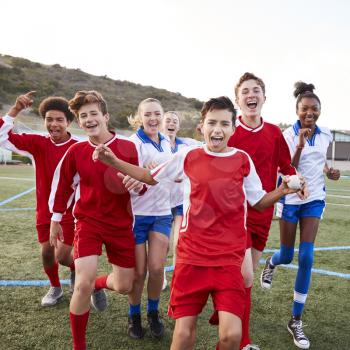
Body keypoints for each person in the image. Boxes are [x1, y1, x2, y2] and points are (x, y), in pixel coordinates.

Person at [92, 96, 306, 350]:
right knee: (183, 335)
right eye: (212, 123)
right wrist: (113, 161)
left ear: (233, 129)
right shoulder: (188, 156)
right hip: (192, 257)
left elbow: (258, 201)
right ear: (201, 126)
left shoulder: (242, 160)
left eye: (224, 124)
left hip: (229, 258)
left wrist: (281, 191)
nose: (217, 129)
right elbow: (149, 177)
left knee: (232, 336)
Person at [210, 73, 299, 350]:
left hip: (263, 212)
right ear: (238, 99)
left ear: (264, 97)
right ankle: (242, 340)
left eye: (256, 90)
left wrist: (297, 181)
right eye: (245, 91)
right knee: (246, 276)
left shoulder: (274, 133)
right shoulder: (228, 130)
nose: (251, 95)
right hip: (232, 215)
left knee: (244, 279)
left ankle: (224, 308)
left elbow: (286, 166)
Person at [49, 90, 143, 350]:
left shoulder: (127, 147)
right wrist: (56, 218)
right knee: (82, 284)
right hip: (88, 222)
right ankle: (79, 345)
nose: (89, 119)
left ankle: (99, 285)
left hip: (121, 224)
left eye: (93, 114)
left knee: (124, 285)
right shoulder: (76, 151)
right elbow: (64, 187)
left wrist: (136, 184)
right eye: (83, 116)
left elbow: (143, 184)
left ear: (105, 116)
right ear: (79, 122)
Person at [260, 81, 340, 349]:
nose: (310, 113)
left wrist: (329, 172)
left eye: (314, 109)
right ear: (297, 110)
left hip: (314, 200)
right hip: (291, 200)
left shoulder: (327, 133)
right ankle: (271, 263)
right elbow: (287, 168)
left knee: (307, 256)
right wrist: (300, 145)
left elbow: (321, 162)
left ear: (320, 110)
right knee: (286, 254)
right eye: (305, 109)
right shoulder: (285, 135)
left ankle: (295, 320)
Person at [0, 91, 77, 306]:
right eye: (49, 119)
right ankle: (55, 287)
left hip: (71, 212)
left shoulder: (79, 147)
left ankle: (76, 269)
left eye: (59, 120)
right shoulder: (37, 143)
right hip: (45, 211)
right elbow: (1, 136)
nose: (54, 124)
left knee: (62, 256)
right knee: (46, 254)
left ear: (69, 122)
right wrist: (15, 110)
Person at [126, 98, 173, 339]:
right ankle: (134, 315)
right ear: (140, 117)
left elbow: (173, 175)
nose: (153, 118)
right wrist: (145, 171)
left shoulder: (167, 141)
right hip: (137, 215)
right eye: (148, 114)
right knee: (138, 272)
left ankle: (153, 313)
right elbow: (128, 181)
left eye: (157, 114)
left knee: (156, 269)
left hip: (162, 214)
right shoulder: (132, 143)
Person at [161, 111, 201, 277]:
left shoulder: (187, 144)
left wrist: (203, 129)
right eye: (168, 120)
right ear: (162, 123)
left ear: (178, 126)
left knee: (179, 242)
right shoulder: (156, 144)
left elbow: (208, 144)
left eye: (174, 121)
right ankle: (160, 272)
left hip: (179, 202)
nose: (171, 123)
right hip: (160, 202)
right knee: (164, 245)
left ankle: (178, 278)